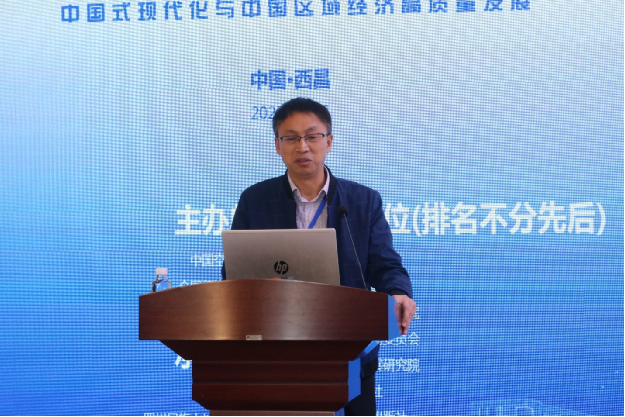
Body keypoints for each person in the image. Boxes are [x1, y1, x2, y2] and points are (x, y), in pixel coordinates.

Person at [222, 97, 416, 416]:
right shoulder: (255, 200)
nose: (303, 147)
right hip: (276, 350)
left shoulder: (363, 201)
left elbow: (385, 265)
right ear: (277, 145)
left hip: (351, 347)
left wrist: (398, 292)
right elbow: (232, 272)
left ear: (329, 141)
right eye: (291, 138)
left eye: (312, 136)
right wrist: (258, 287)